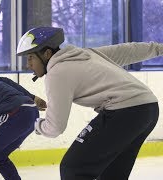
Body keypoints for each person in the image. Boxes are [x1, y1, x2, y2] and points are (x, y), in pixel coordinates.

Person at [16, 26, 161, 180]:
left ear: (47, 53)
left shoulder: (57, 73)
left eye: (31, 57)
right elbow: (127, 51)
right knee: (112, 174)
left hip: (125, 112)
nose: (28, 64)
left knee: (73, 168)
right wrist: (159, 49)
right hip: (148, 109)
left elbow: (55, 128)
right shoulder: (85, 55)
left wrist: (37, 125)